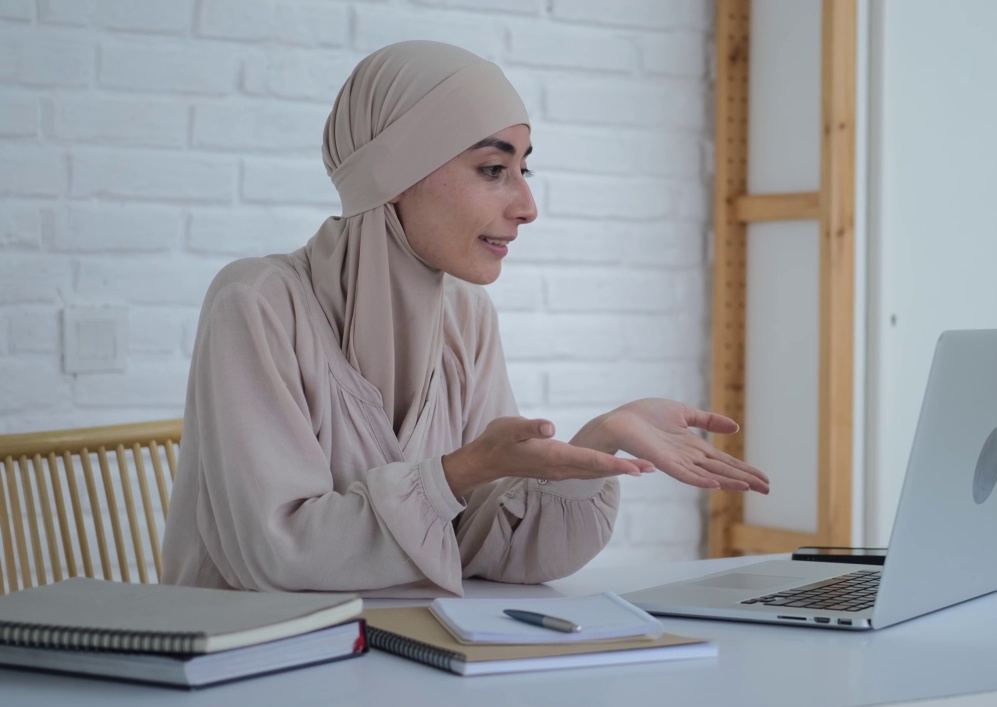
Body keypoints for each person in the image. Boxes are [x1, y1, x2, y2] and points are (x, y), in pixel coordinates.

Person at [160, 41, 769, 598]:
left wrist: (596, 444)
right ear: (394, 177)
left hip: (402, 665)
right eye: (492, 169)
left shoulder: (466, 318)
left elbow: (483, 542)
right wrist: (464, 469)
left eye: (523, 169)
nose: (527, 206)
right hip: (250, 675)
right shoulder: (257, 303)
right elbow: (281, 554)